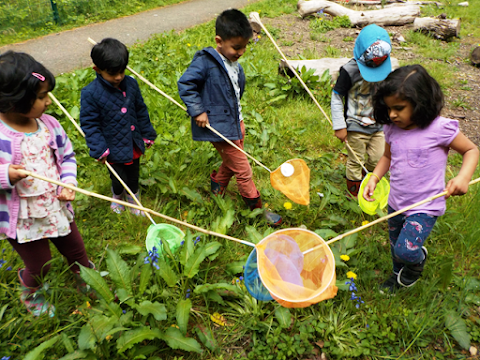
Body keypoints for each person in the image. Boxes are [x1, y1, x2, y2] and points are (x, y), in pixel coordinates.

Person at [363, 64, 479, 293]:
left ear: (421, 103)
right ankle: (397, 275)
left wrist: (463, 177)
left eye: (399, 108)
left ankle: (415, 263)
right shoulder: (392, 128)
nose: (392, 114)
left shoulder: (439, 129)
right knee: (396, 245)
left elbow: (471, 150)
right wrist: (375, 177)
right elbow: (387, 156)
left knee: (406, 249)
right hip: (396, 202)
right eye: (388, 108)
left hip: (425, 205)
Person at [0, 51, 95, 317]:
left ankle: (86, 278)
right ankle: (31, 290)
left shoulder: (49, 125)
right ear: (13, 101)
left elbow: (67, 156)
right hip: (24, 219)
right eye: (40, 97)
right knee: (41, 265)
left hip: (55, 206)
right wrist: (5, 175)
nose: (48, 101)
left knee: (76, 249)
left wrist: (68, 181)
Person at [177, 9, 281, 226]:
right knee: (244, 170)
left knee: (232, 159)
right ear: (219, 41)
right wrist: (198, 110)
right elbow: (186, 84)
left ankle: (217, 185)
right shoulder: (205, 62)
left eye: (244, 46)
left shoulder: (234, 62)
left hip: (236, 122)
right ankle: (257, 210)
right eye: (236, 47)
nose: (241, 52)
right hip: (218, 127)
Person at [80, 38, 157, 215]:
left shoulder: (131, 84)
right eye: (112, 73)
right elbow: (89, 123)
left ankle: (133, 197)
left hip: (132, 142)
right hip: (112, 146)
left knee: (134, 174)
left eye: (122, 71)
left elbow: (140, 110)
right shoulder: (90, 93)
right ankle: (117, 196)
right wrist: (98, 147)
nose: (118, 77)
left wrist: (147, 133)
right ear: (97, 70)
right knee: (118, 177)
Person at [331, 24, 392, 198]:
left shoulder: (386, 68)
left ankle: (371, 187)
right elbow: (336, 97)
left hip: (380, 125)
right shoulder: (349, 71)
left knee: (378, 158)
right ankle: (354, 194)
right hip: (355, 124)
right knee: (356, 160)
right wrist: (339, 125)